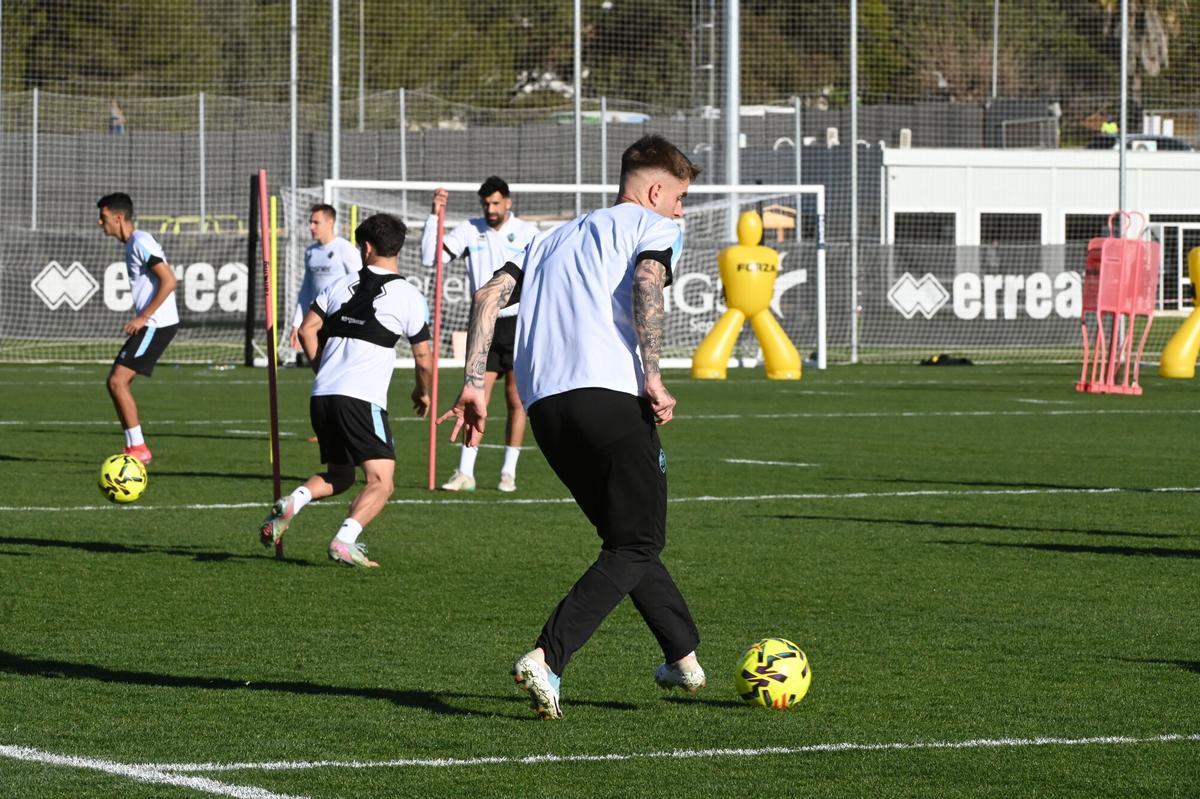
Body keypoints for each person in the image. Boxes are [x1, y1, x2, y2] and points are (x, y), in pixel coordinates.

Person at [439, 135, 705, 719]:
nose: (682, 210)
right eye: (680, 197)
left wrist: (475, 382)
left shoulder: (545, 237)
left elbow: (488, 296)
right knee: (637, 540)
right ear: (656, 190)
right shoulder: (650, 226)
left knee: (626, 537)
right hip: (608, 396)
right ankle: (548, 656)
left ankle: (683, 657)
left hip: (546, 413)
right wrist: (654, 376)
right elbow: (646, 284)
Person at [260, 213, 433, 568]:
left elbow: (307, 331)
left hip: (322, 395)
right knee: (381, 482)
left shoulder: (341, 284)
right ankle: (345, 540)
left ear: (366, 248)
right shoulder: (408, 295)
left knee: (341, 475)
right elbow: (424, 358)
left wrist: (323, 370)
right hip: (361, 398)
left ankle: (295, 500)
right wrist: (423, 392)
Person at [421, 177, 538, 493]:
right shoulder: (469, 230)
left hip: (518, 322)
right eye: (486, 203)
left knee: (516, 399)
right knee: (475, 397)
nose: (491, 209)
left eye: (496, 203)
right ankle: (465, 472)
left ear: (508, 202)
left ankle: (508, 473)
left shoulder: (528, 233)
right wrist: (435, 215)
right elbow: (431, 259)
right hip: (484, 324)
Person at [97, 192, 178, 464]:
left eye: (104, 217)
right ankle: (134, 446)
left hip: (155, 325)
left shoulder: (140, 241)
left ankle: (138, 448)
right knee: (119, 382)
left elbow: (169, 279)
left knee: (117, 381)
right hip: (153, 324)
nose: (100, 222)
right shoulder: (133, 242)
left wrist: (143, 317)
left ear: (119, 218)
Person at [290, 204, 363, 359]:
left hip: (342, 319)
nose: (311, 226)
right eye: (310, 222)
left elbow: (361, 283)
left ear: (330, 223)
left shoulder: (345, 249)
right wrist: (297, 323)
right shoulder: (310, 252)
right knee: (322, 366)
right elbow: (306, 289)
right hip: (318, 318)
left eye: (316, 222)